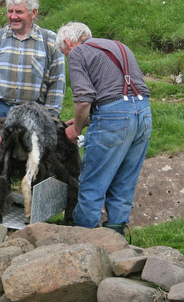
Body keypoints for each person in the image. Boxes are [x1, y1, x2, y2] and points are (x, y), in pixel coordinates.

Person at [56, 21, 152, 233]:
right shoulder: (118, 46)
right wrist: (88, 119)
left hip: (113, 118)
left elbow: (83, 99)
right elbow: (118, 93)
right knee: (125, 180)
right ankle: (115, 237)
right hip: (143, 114)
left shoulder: (79, 53)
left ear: (67, 42)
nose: (67, 58)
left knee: (93, 181)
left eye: (64, 53)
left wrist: (77, 128)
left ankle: (85, 239)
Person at [0, 0, 66, 131]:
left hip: (34, 112)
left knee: (31, 153)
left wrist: (50, 118)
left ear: (33, 13)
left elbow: (57, 82)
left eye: (19, 12)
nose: (13, 16)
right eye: (10, 11)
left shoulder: (50, 41)